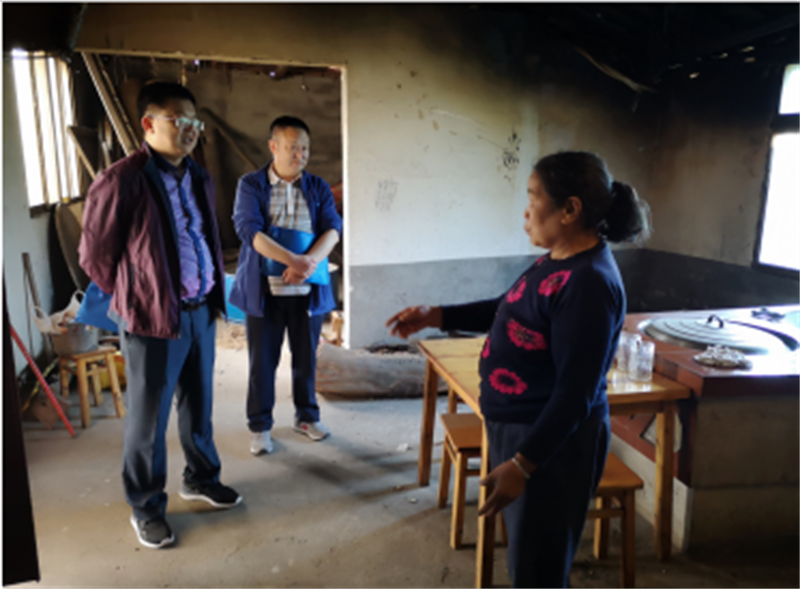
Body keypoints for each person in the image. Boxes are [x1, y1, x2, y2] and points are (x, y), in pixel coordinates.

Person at [387, 151, 650, 588]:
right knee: (527, 560)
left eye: (533, 197)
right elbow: (506, 308)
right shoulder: (558, 260)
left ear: (570, 209)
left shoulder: (590, 283)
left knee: (538, 571)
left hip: (552, 445)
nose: (525, 211)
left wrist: (524, 464)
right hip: (523, 432)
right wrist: (438, 315)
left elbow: (576, 393)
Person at [79, 81, 241, 550]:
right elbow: (95, 257)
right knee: (148, 421)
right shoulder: (122, 180)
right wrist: (137, 294)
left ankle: (201, 478)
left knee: (198, 405)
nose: (189, 129)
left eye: (194, 121)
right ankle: (146, 507)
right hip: (151, 320)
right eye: (178, 120)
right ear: (149, 124)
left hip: (199, 311)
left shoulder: (198, 175)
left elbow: (202, 236)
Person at [228, 116, 342, 456]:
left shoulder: (317, 186)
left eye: (304, 148)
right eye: (293, 147)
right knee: (262, 362)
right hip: (265, 292)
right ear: (273, 146)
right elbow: (248, 230)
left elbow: (333, 229)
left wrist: (307, 264)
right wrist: (294, 260)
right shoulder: (251, 185)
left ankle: (306, 417)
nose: (300, 155)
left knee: (306, 359)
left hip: (307, 292)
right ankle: (260, 426)